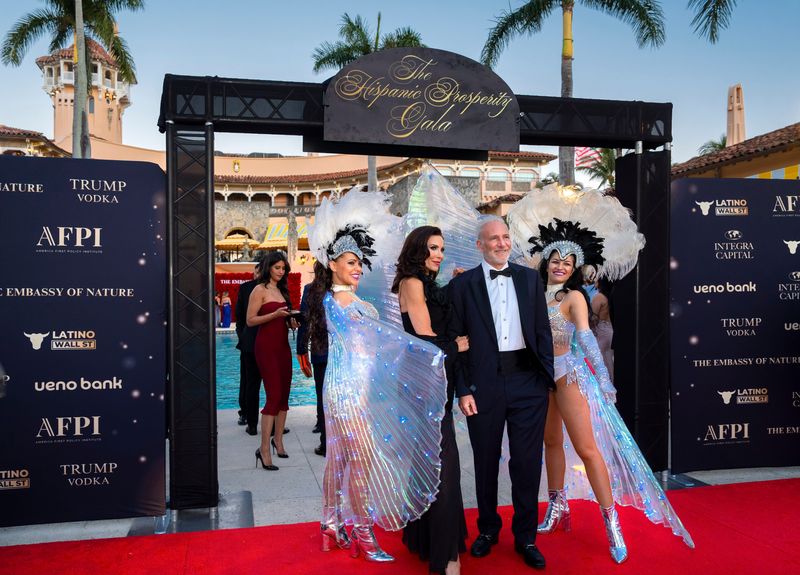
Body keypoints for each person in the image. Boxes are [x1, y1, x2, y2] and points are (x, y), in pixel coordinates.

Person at [507, 187, 693, 563]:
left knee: (588, 449)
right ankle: (558, 508)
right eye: (555, 259)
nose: (560, 265)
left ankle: (612, 524)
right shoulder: (530, 292)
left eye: (567, 262)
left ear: (576, 268)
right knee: (551, 444)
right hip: (538, 379)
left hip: (568, 376)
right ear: (545, 261)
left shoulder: (574, 298)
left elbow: (587, 340)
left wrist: (605, 382)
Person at [307, 190, 448, 563]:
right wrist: (430, 351)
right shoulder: (345, 302)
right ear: (332, 263)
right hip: (351, 389)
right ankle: (362, 533)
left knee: (338, 458)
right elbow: (383, 341)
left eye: (359, 262)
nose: (357, 268)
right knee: (363, 460)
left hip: (340, 386)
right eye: (350, 262)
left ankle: (330, 525)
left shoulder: (331, 300)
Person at [449, 217, 554, 571]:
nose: (501, 243)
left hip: (528, 382)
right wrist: (463, 389)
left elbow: (542, 331)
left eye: (506, 237)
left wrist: (545, 379)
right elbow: (457, 342)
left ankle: (526, 536)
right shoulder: (462, 285)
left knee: (526, 463)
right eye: (493, 239)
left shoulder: (529, 278)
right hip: (484, 384)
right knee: (485, 461)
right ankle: (488, 530)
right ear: (479, 244)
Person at [392, 225, 469, 575]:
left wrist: (453, 285)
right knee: (445, 465)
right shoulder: (412, 282)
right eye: (432, 248)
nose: (438, 253)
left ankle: (426, 539)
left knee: (432, 462)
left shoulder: (425, 283)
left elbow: (436, 316)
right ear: (417, 249)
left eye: (441, 248)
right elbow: (428, 345)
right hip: (425, 383)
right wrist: (459, 346)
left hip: (435, 383)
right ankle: (445, 555)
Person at [246, 251, 297, 471]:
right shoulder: (259, 290)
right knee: (273, 396)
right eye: (277, 267)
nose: (281, 271)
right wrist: (274, 315)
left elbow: (283, 320)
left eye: (283, 268)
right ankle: (264, 448)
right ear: (268, 267)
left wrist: (291, 322)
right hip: (265, 347)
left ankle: (279, 441)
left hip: (283, 347)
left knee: (284, 396)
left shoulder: (281, 290)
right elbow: (250, 320)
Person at [297, 261, 328, 456]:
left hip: (320, 351)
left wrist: (302, 350)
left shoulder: (310, 289)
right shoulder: (341, 289)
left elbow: (304, 320)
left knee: (322, 395)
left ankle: (325, 443)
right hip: (339, 351)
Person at [235, 258, 265, 433]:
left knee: (261, 383)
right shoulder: (246, 288)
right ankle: (246, 415)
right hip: (249, 342)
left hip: (266, 342)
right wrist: (243, 335)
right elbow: (240, 316)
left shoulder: (275, 288)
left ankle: (271, 420)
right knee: (248, 381)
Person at [590, 278, 614, 381]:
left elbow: (592, 317)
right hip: (609, 330)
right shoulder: (610, 296)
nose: (594, 280)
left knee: (599, 359)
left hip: (600, 331)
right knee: (608, 359)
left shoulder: (599, 297)